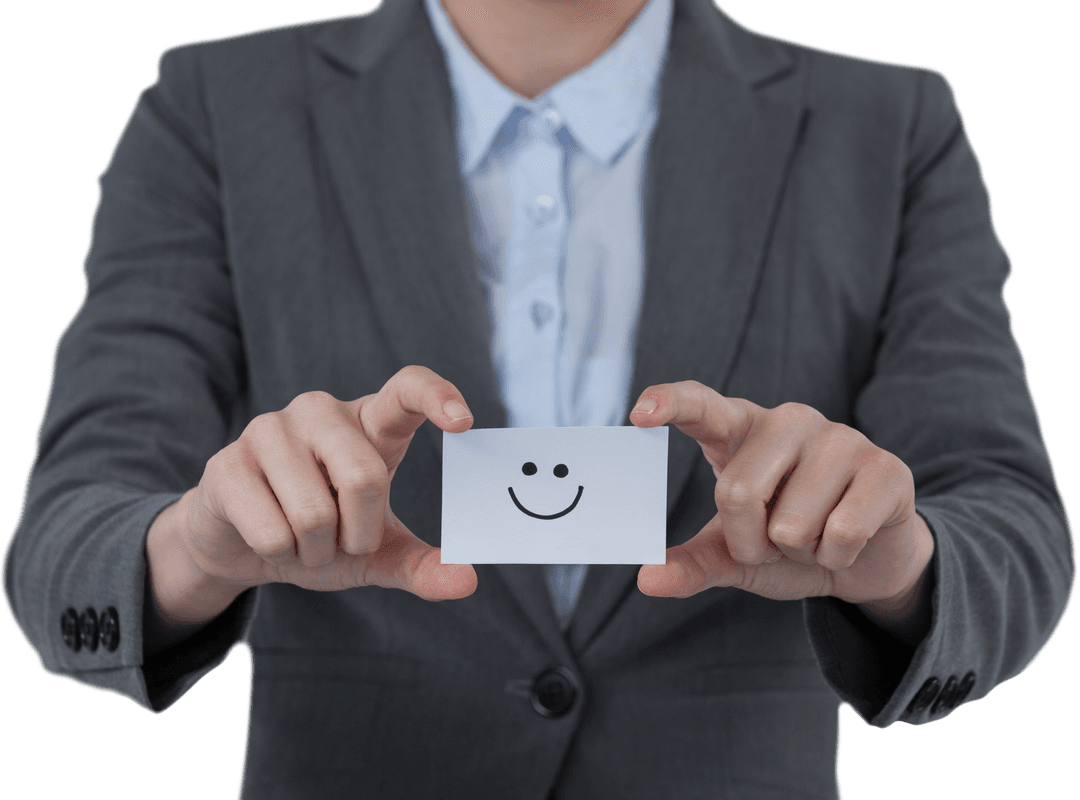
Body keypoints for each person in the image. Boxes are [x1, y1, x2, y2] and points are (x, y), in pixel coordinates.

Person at [2, 0, 1074, 796]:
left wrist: (897, 560)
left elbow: (1013, 528)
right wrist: (196, 542)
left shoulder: (888, 127)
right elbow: (67, 537)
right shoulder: (214, 111)